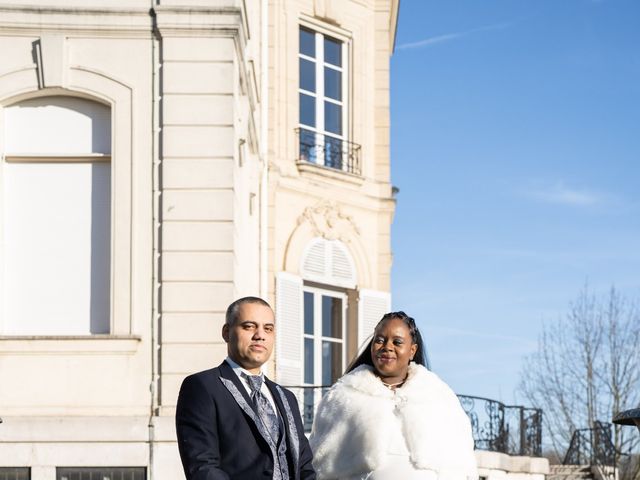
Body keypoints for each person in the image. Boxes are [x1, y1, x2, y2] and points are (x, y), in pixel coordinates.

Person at [309, 312, 478, 480]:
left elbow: (463, 465)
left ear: (412, 350)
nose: (387, 347)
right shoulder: (342, 397)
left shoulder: (440, 398)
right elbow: (321, 465)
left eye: (397, 342)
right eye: (380, 340)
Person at [176, 296, 316, 480]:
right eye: (249, 326)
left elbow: (304, 467)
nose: (260, 335)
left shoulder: (286, 396)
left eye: (268, 329)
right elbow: (203, 468)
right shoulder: (202, 386)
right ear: (226, 332)